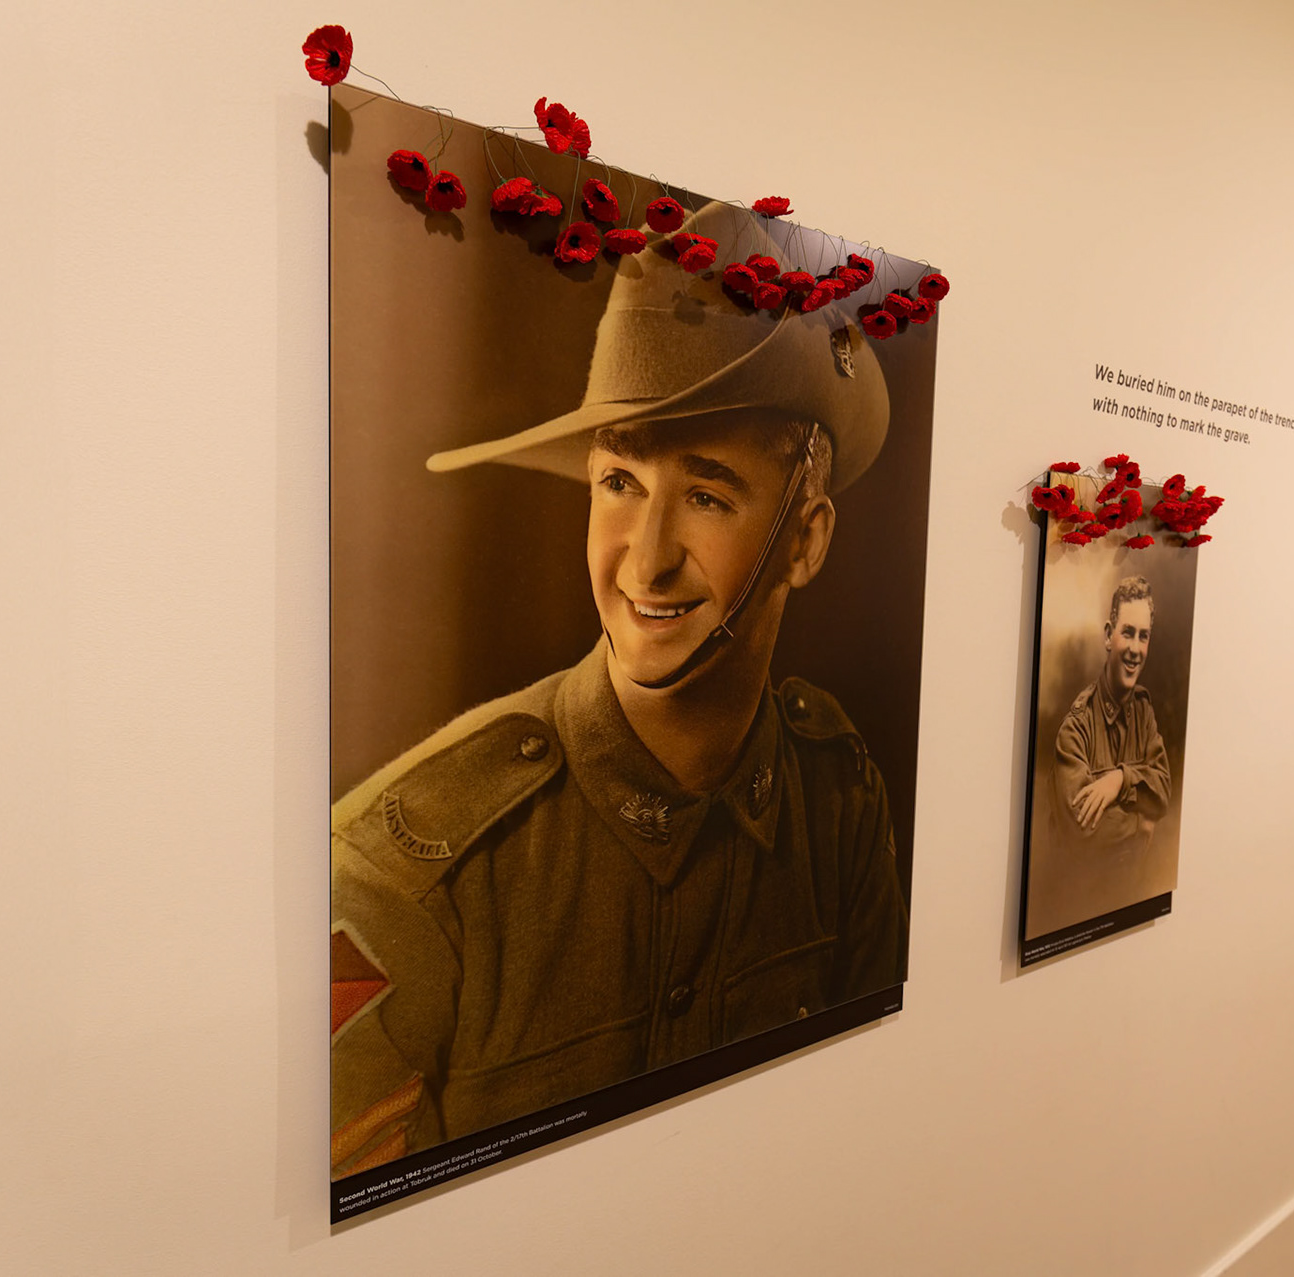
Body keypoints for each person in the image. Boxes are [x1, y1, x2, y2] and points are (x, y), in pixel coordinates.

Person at [328, 202, 909, 1180]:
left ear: (803, 541)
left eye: (709, 494)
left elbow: (858, 1129)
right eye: (619, 483)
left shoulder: (836, 804)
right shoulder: (415, 869)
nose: (646, 558)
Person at [1054, 577, 1172, 847]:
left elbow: (1164, 791)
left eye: (1143, 636)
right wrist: (1142, 823)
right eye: (1128, 632)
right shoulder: (1076, 727)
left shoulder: (1144, 713)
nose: (1135, 649)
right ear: (1108, 635)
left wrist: (1119, 780)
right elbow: (1080, 827)